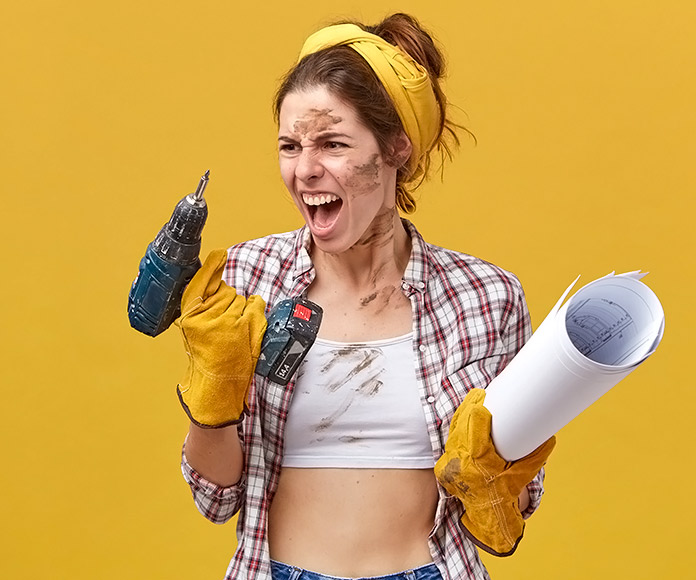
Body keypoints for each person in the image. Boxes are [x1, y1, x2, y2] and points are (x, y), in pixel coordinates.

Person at [176, 13, 554, 580]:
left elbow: (511, 514)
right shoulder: (246, 278)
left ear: (396, 147)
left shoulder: (485, 296)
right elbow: (215, 499)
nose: (305, 170)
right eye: (289, 145)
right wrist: (214, 396)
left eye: (331, 143)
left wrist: (494, 479)